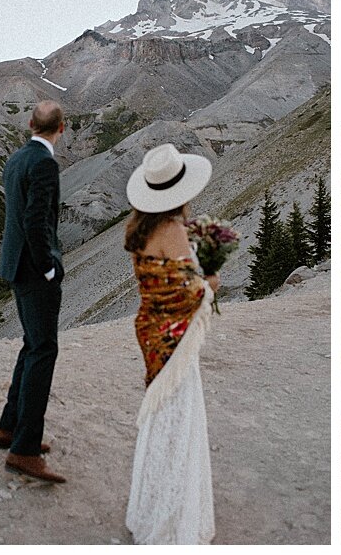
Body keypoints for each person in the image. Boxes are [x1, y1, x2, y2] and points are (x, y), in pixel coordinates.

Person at [123, 142, 219, 544]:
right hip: (175, 338)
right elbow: (189, 290)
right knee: (179, 418)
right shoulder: (173, 230)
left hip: (151, 330)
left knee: (161, 414)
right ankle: (172, 516)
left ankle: (150, 504)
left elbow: (159, 286)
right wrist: (211, 282)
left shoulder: (139, 230)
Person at [0, 100, 67, 483]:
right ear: (63, 128)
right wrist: (50, 267)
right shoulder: (44, 164)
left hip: (15, 264)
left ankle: (9, 427)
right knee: (43, 350)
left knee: (31, 344)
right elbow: (36, 220)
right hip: (34, 268)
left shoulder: (16, 158)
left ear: (29, 123)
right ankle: (24, 449)